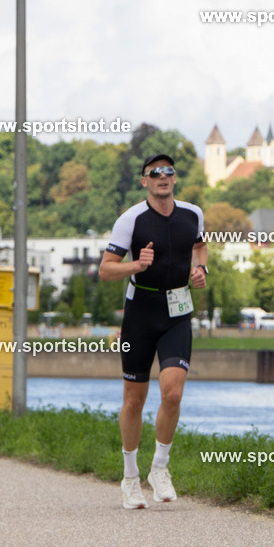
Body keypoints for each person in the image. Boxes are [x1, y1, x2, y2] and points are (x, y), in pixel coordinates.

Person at [99, 154, 207, 509]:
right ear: (145, 180)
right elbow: (106, 270)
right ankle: (130, 477)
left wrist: (201, 269)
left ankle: (159, 467)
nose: (163, 176)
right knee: (134, 400)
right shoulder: (130, 220)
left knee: (173, 394)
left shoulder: (192, 213)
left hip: (177, 311)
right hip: (140, 313)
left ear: (174, 178)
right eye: (155, 172)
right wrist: (136, 264)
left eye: (168, 171)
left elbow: (199, 246)